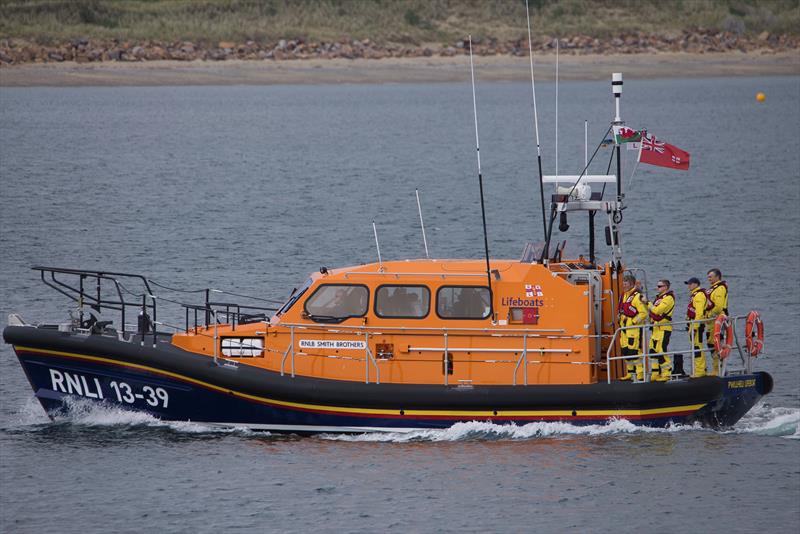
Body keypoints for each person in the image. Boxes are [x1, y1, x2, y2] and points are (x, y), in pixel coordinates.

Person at [618, 273, 648, 381]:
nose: (624, 285)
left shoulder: (636, 297)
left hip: (633, 330)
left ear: (631, 284)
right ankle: (630, 373)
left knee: (634, 352)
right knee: (626, 351)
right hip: (624, 329)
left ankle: (639, 373)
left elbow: (643, 313)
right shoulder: (625, 295)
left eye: (626, 283)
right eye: (623, 283)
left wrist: (633, 322)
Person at [647, 279, 676, 381]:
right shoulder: (659, 298)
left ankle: (667, 373)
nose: (657, 288)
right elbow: (653, 312)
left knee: (662, 351)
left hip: (664, 328)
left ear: (666, 287)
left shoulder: (668, 298)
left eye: (660, 286)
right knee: (653, 351)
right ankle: (655, 373)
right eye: (657, 286)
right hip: (656, 328)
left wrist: (648, 303)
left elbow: (657, 310)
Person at [705, 268, 729, 376]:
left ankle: (720, 368)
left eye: (710, 276)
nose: (709, 279)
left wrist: (709, 315)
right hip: (711, 322)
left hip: (717, 320)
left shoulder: (720, 288)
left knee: (717, 344)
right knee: (711, 344)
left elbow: (718, 306)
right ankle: (716, 368)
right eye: (708, 277)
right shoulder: (713, 288)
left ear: (717, 277)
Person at [685, 277, 708, 377]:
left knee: (697, 347)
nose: (688, 286)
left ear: (696, 284)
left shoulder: (699, 295)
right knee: (696, 346)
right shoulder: (694, 295)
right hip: (693, 323)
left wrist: (695, 327)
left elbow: (699, 313)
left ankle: (700, 370)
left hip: (696, 325)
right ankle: (700, 369)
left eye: (690, 284)